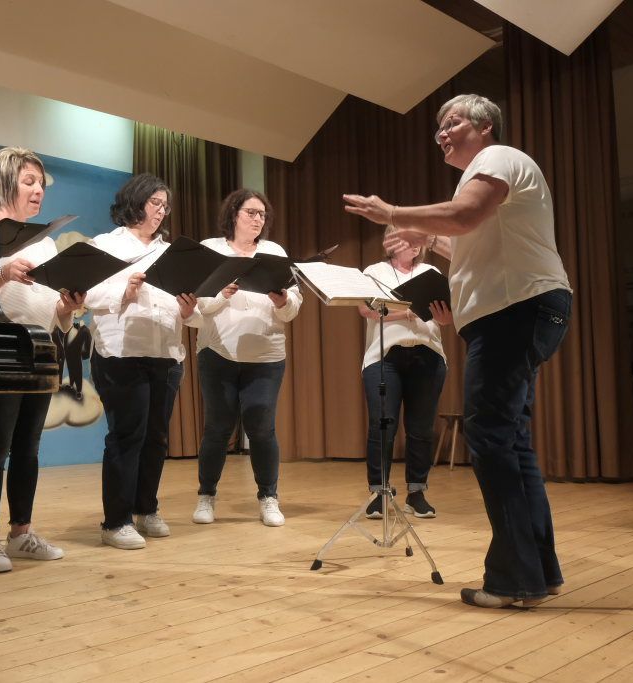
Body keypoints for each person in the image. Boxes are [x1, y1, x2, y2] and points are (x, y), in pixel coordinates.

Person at [343, 94, 572, 609]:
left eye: (453, 122)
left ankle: (514, 579)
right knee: (511, 442)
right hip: (520, 312)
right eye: (438, 128)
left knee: (490, 439)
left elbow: (465, 216)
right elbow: (473, 242)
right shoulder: (487, 173)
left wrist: (393, 212)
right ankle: (539, 572)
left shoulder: (497, 157)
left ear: (485, 126)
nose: (442, 133)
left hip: (515, 312)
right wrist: (429, 239)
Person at [0, 147, 84, 573]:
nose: (38, 190)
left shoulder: (47, 242)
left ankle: (21, 533)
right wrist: (2, 273)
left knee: (28, 447)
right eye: (29, 181)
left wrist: (68, 307)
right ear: (5, 181)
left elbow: (53, 311)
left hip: (41, 350)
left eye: (41, 183)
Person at [84, 173, 200, 549]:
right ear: (135, 202)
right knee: (126, 436)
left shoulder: (172, 252)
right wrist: (126, 290)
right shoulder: (106, 245)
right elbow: (86, 294)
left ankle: (146, 508)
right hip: (121, 353)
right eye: (155, 203)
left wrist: (190, 309)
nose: (161, 211)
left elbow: (191, 310)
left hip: (165, 353)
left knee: (156, 438)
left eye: (165, 206)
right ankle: (116, 522)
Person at [192, 189, 302, 527]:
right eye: (251, 212)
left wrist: (283, 301)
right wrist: (222, 294)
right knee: (217, 428)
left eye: (262, 214)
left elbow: (292, 308)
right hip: (218, 352)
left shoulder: (274, 252)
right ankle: (206, 496)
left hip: (266, 356)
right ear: (233, 214)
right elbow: (199, 305)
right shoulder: (211, 249)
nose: (258, 219)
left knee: (262, 429)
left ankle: (269, 497)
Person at [358, 228, 450, 520]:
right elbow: (367, 310)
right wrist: (411, 312)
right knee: (382, 425)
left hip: (427, 354)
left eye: (418, 239)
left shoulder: (431, 272)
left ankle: (417, 493)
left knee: (421, 428)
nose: (415, 245)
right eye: (408, 239)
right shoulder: (375, 272)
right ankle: (378, 493)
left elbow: (443, 317)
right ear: (391, 242)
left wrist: (443, 315)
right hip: (385, 356)